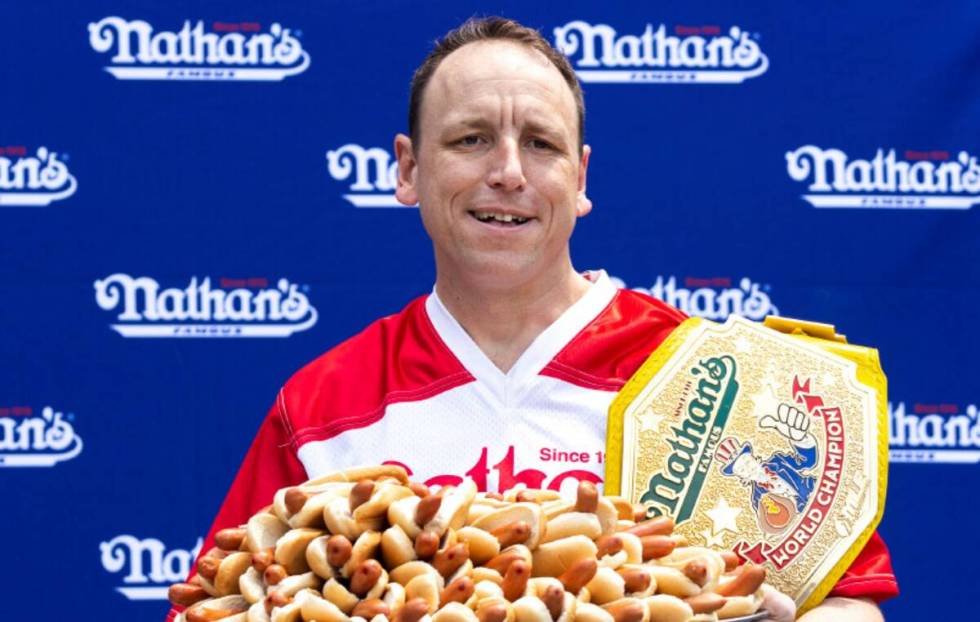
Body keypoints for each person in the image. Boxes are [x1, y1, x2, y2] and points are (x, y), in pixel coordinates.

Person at [168, 17, 897, 622]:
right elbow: (211, 602)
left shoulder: (711, 377)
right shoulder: (325, 402)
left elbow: (853, 603)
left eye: (540, 144)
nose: (509, 172)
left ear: (579, 180)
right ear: (408, 170)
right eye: (471, 138)